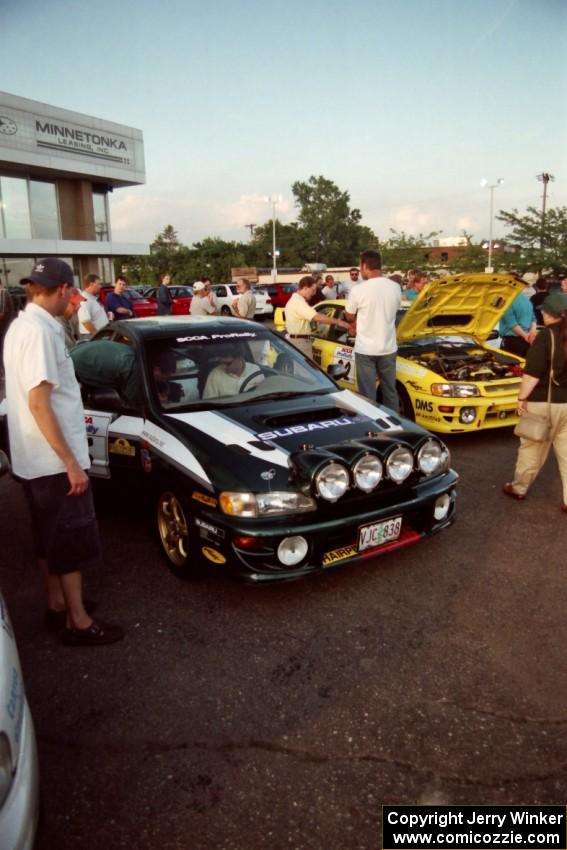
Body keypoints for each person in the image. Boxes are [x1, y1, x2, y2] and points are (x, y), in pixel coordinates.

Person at [2, 258, 124, 645]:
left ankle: (57, 603)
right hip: (54, 461)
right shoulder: (39, 332)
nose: (71, 296)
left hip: (33, 458)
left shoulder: (21, 326)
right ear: (61, 290)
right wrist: (71, 462)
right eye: (68, 290)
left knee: (48, 536)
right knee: (70, 540)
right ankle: (79, 622)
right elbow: (40, 401)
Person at [502, 290, 567, 511]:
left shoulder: (545, 336)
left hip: (544, 404)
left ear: (550, 314)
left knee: (531, 448)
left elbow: (532, 374)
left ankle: (519, 488)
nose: (542, 316)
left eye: (545, 313)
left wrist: (521, 398)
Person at [344, 249, 401, 411]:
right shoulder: (395, 287)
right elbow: (394, 311)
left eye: (360, 267)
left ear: (364, 265)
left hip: (366, 349)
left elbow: (349, 316)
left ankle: (373, 429)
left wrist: (353, 319)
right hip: (388, 348)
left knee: (368, 395)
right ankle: (395, 425)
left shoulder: (358, 290)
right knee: (390, 391)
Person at [284, 276, 350, 358]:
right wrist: (338, 322)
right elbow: (317, 317)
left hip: (298, 341)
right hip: (300, 343)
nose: (314, 293)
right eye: (313, 290)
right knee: (306, 370)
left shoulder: (296, 300)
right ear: (305, 288)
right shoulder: (298, 302)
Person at [499, 285, 537, 357]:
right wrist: (531, 335)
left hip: (512, 343)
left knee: (509, 367)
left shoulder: (507, 300)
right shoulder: (526, 300)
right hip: (526, 343)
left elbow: (512, 324)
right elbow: (533, 320)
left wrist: (525, 336)